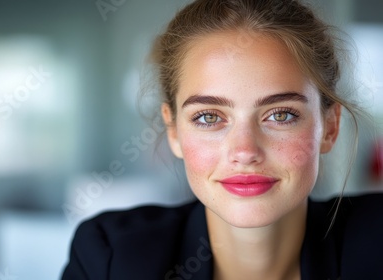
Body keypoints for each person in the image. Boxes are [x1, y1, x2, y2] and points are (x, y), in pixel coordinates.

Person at [62, 0, 383, 279]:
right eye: (209, 117)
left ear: (329, 127)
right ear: (173, 131)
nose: (245, 152)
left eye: (280, 114)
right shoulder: (109, 257)